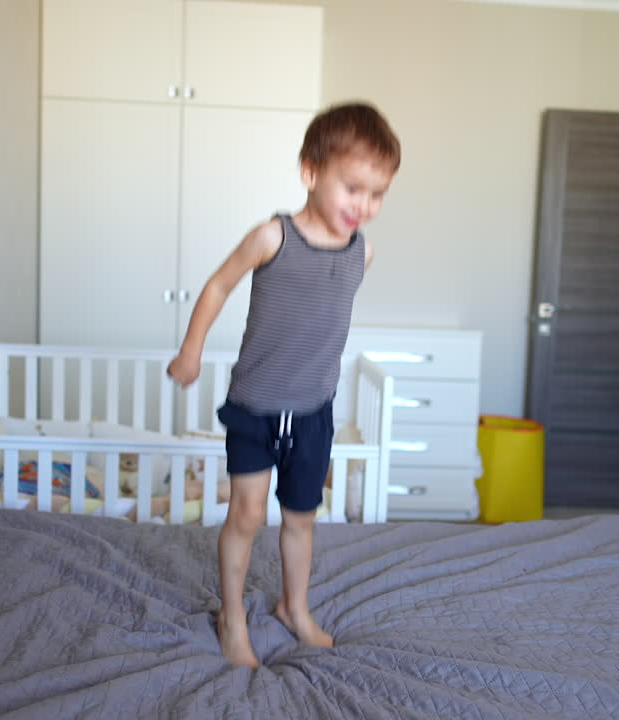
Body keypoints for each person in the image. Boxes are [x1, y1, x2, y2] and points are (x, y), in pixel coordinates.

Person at [166, 102, 400, 668]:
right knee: (246, 514)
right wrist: (191, 350)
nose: (363, 206)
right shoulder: (273, 236)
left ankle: (294, 607)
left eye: (377, 194)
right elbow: (220, 286)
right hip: (255, 408)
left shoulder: (362, 253)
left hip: (313, 412)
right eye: (352, 188)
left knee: (301, 517)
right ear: (310, 172)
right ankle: (232, 618)